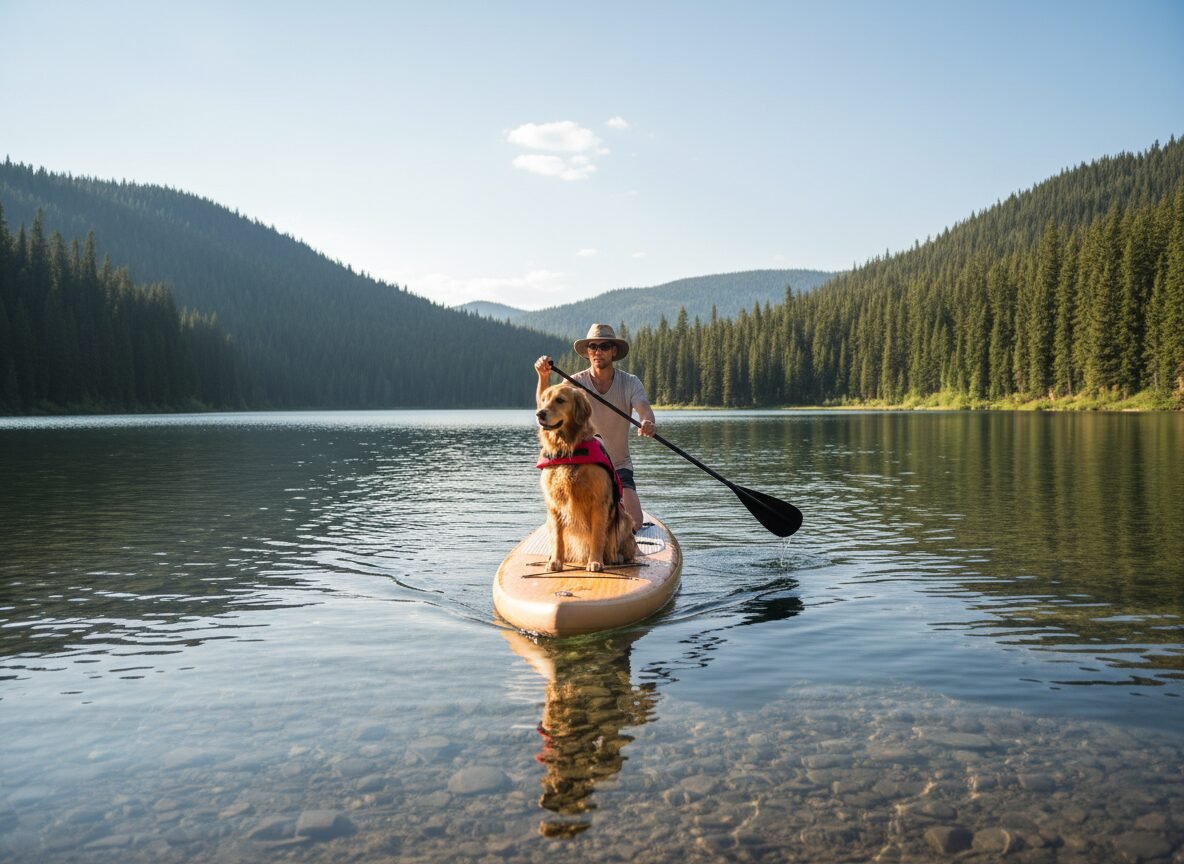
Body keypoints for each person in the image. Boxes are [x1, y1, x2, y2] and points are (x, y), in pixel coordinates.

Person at [535, 323, 657, 529]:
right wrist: (543, 377)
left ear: (614, 351)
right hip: (583, 466)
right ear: (587, 352)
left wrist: (648, 422)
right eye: (593, 346)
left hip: (619, 467)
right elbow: (544, 407)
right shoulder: (574, 384)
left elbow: (643, 407)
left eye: (604, 346)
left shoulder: (630, 382)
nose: (598, 352)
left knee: (634, 524)